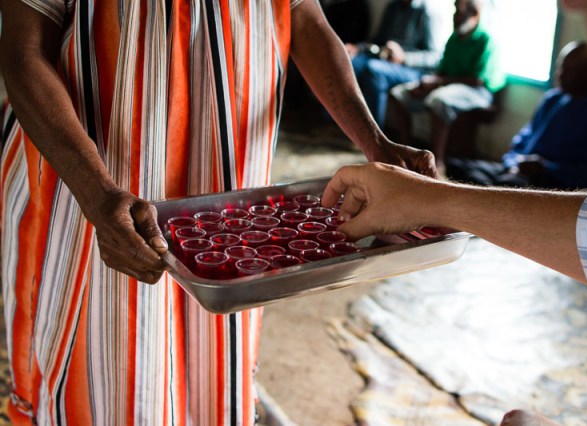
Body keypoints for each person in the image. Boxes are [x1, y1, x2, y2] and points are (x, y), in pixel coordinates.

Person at [0, 0, 436, 423]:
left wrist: (375, 142)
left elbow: (305, 19)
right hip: (94, 180)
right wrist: (97, 193)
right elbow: (24, 53)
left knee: (212, 354)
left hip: (226, 179)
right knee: (113, 358)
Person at [322, 0, 587, 424]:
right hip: (516, 170)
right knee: (468, 171)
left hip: (549, 179)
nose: (573, 4)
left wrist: (435, 198)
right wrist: (438, 195)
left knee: (480, 179)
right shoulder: (552, 99)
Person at [446, 41, 587, 190]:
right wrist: (513, 163)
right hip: (515, 170)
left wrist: (545, 168)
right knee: (455, 168)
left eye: (568, 70)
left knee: (499, 189)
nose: (559, 74)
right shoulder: (552, 99)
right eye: (560, 67)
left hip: (548, 186)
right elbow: (523, 138)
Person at [390, 0, 505, 171]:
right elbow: (442, 71)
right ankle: (407, 153)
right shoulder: (454, 38)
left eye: (460, 13)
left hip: (478, 91)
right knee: (399, 94)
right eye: (455, 12)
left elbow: (477, 80)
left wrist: (439, 82)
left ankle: (437, 162)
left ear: (474, 15)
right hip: (448, 84)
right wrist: (427, 83)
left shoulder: (486, 40)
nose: (455, 17)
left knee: (439, 100)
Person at [345, 0, 443, 127]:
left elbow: (435, 57)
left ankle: (373, 130)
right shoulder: (393, 7)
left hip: (413, 70)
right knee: (351, 63)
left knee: (374, 70)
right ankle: (342, 124)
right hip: (386, 62)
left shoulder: (428, 11)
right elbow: (378, 40)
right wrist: (358, 48)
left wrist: (404, 57)